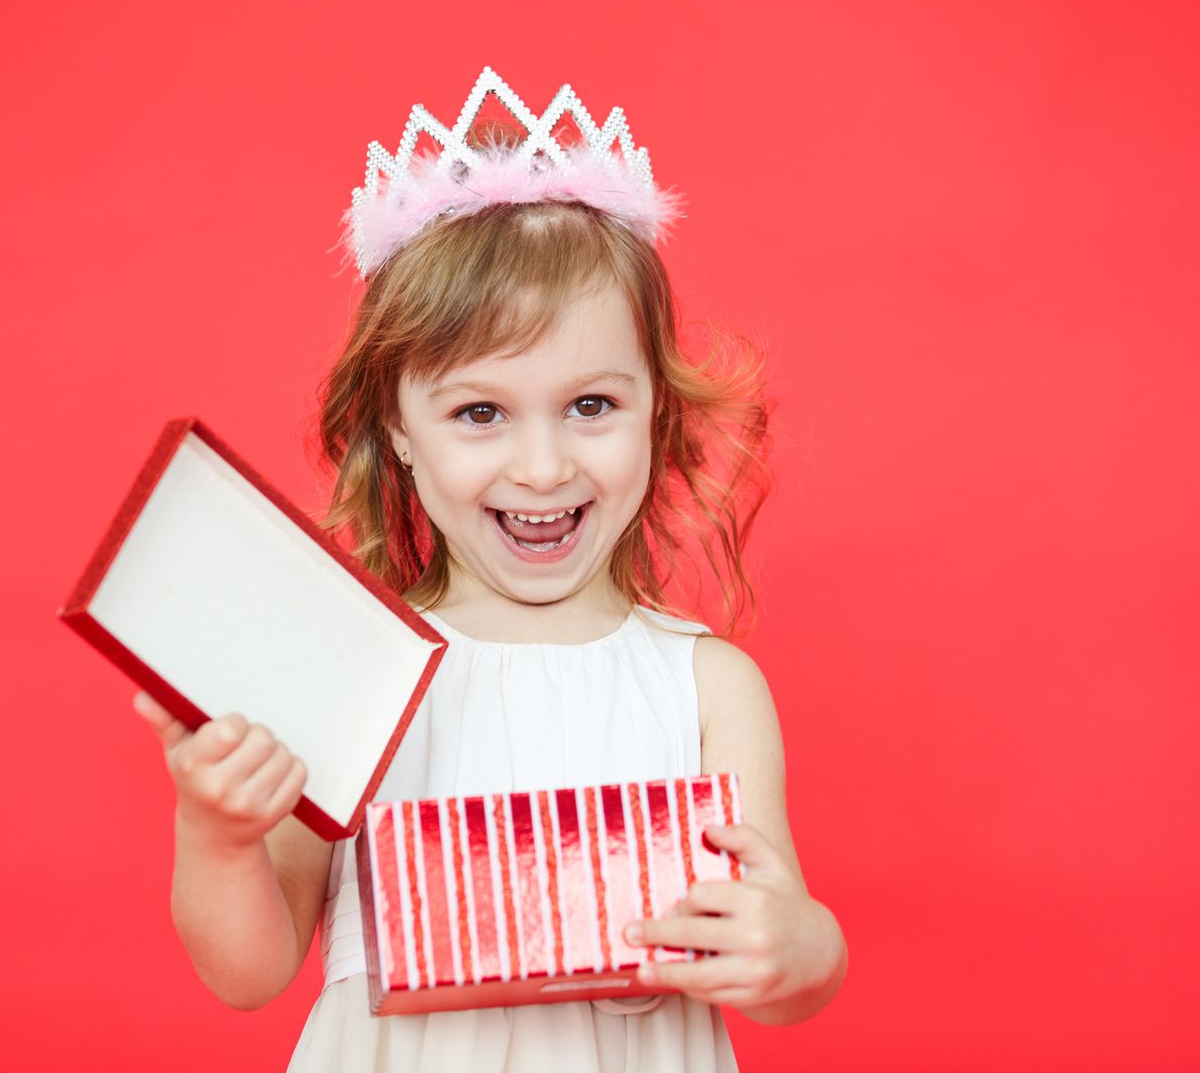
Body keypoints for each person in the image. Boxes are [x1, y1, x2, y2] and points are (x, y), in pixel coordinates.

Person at [130, 67, 848, 1071]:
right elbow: (250, 973)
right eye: (480, 413)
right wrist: (216, 830)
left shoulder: (706, 686)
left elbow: (778, 956)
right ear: (400, 431)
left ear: (656, 413)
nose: (544, 466)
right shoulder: (350, 667)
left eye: (591, 406)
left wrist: (804, 948)